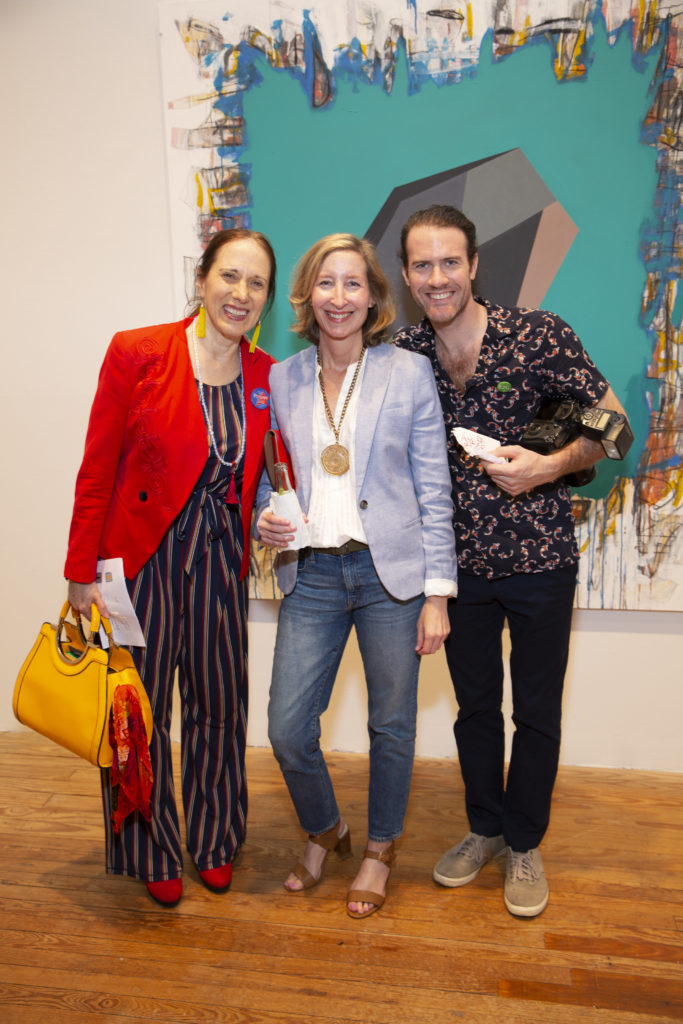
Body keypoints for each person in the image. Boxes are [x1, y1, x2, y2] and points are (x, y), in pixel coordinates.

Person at [394, 204, 627, 918]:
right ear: (406, 275)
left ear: (473, 266)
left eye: (449, 262)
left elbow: (611, 426)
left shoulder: (537, 334)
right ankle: (484, 828)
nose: (438, 278)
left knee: (534, 711)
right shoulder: (401, 353)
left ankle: (524, 843)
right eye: (422, 265)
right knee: (472, 710)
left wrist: (548, 466)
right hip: (452, 572)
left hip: (538, 560)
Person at [65, 227, 278, 907]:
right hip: (142, 565)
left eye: (256, 284)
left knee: (219, 705)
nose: (240, 294)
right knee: (139, 712)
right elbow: (97, 468)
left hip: (219, 564)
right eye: (230, 277)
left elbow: (273, 476)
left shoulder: (265, 374)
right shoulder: (138, 352)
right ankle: (150, 847)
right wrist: (79, 570)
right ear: (202, 278)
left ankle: (214, 842)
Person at [255, 233, 457, 919]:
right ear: (307, 295)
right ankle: (324, 830)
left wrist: (437, 594)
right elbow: (268, 480)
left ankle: (377, 849)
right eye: (325, 283)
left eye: (352, 284)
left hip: (389, 576)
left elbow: (434, 487)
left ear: (372, 296)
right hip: (310, 572)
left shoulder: (406, 373)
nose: (338, 297)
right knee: (286, 728)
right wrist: (265, 520)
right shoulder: (280, 378)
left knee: (392, 726)